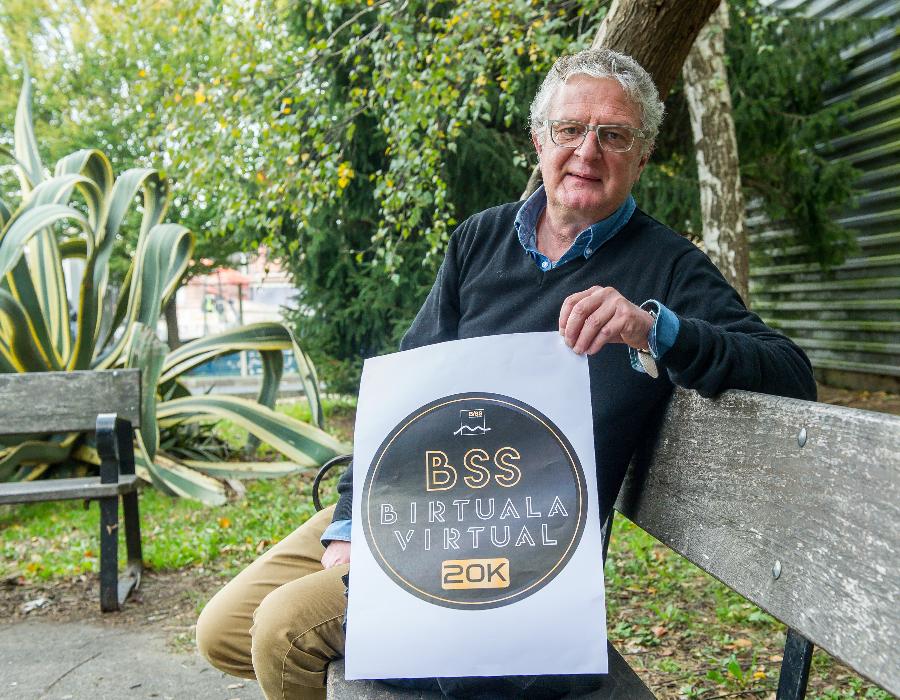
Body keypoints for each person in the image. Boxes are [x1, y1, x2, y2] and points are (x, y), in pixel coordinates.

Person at [196, 48, 817, 700]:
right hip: (415, 498)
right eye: (570, 129)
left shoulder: (666, 266)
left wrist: (653, 328)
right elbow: (402, 391)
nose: (587, 151)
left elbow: (789, 373)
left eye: (614, 135)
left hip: (512, 542)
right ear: (539, 139)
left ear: (643, 155)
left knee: (285, 632)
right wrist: (352, 524)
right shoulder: (479, 240)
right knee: (224, 630)